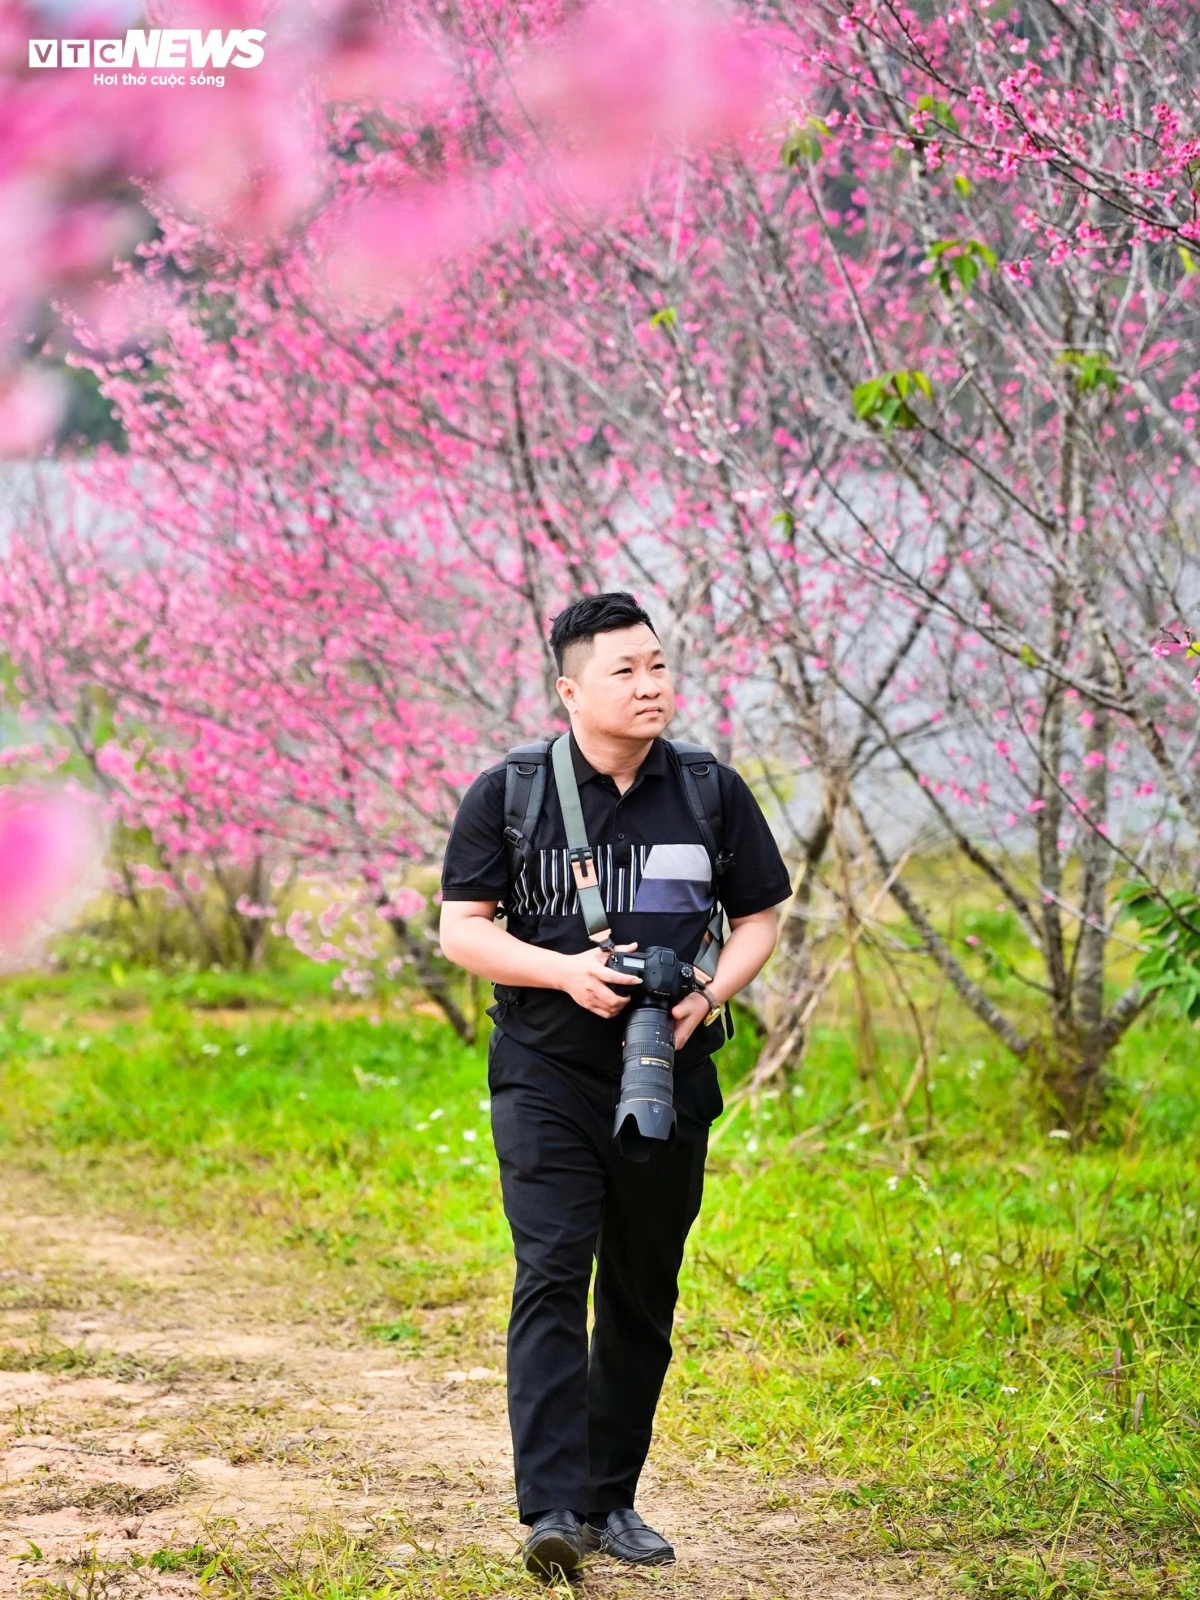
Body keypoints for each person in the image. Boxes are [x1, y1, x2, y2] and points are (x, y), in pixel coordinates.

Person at [438, 592, 790, 1578]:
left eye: (659, 666)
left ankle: (611, 1499)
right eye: (625, 671)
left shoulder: (710, 791)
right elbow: (461, 927)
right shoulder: (508, 792)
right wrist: (565, 972)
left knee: (642, 1286)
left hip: (667, 1074)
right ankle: (549, 1504)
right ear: (570, 689)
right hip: (546, 1071)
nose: (650, 686)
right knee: (553, 1270)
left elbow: (759, 914)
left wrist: (709, 991)